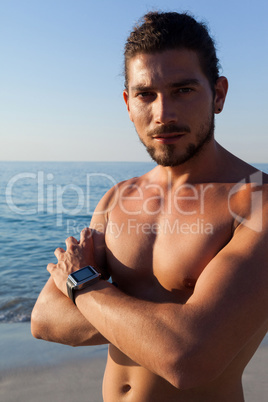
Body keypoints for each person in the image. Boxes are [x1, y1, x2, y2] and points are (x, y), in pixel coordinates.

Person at [31, 11, 268, 402]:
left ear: (219, 94)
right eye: (146, 94)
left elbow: (190, 358)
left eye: (183, 90)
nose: (163, 114)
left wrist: (83, 283)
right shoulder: (117, 198)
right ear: (128, 103)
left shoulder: (255, 201)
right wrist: (169, 321)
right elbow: (44, 318)